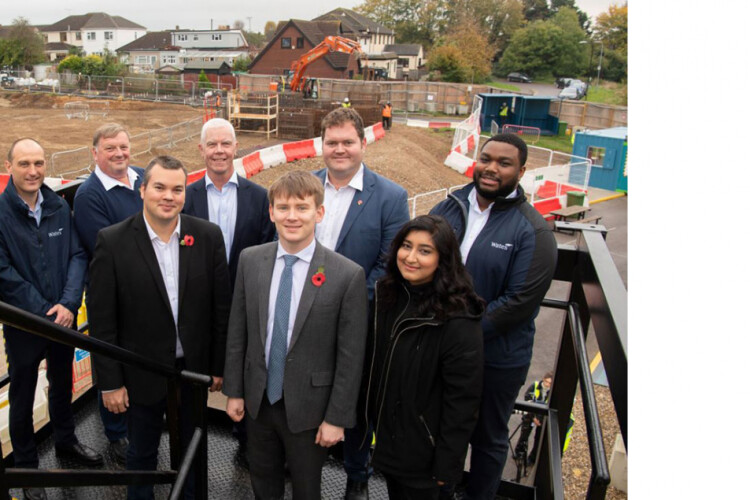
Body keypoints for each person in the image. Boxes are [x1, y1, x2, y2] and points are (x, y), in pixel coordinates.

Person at [87, 155, 231, 500]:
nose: (169, 196)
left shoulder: (208, 236)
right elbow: (103, 320)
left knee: (192, 452)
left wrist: (217, 367)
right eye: (160, 187)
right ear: (142, 190)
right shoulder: (113, 241)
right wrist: (110, 383)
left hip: (191, 373)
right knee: (141, 453)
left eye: (177, 189)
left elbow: (220, 309)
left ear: (185, 193)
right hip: (140, 372)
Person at [223, 170, 368, 500]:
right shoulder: (251, 260)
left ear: (319, 212)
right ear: (271, 212)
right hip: (260, 402)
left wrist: (337, 418)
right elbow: (238, 332)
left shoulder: (346, 275)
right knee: (263, 482)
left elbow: (351, 356)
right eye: (283, 207)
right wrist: (234, 390)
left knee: (306, 489)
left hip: (310, 409)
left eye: (302, 208)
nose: (292, 216)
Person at [430, 133, 557, 499]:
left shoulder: (533, 230)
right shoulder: (448, 208)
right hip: (441, 348)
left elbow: (519, 303)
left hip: (496, 359)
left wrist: (458, 336)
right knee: (441, 429)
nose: (491, 168)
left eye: (504, 163)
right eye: (486, 158)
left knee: (487, 438)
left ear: (521, 171)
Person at [312, 107, 410, 500]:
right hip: (303, 318)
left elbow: (389, 265)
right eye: (332, 142)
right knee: (306, 391)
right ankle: (302, 463)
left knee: (355, 398)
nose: (339, 150)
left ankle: (356, 474)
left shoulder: (390, 197)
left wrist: (342, 305)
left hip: (359, 319)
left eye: (347, 142)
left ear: (362, 144)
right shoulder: (306, 187)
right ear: (322, 145)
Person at [0, 138, 103, 500]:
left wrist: (69, 303)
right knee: (23, 393)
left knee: (64, 383)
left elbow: (77, 255)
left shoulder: (60, 206)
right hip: (25, 324)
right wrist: (46, 311)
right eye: (25, 163)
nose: (33, 171)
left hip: (63, 318)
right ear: (10, 166)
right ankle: (26, 469)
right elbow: (3, 272)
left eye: (39, 163)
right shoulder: (0, 213)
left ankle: (66, 442)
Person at [362, 215, 484, 499]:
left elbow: (463, 400)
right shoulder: (388, 294)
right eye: (406, 246)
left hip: (424, 454)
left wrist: (447, 464)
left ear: (443, 259)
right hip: (389, 440)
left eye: (425, 251)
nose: (411, 257)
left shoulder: (459, 315)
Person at [182, 117, 275, 462]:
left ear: (237, 148)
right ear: (201, 150)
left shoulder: (259, 197)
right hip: (197, 309)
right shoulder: (185, 197)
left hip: (246, 305)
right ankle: (192, 443)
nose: (219, 151)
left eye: (225, 144)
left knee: (246, 372)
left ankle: (246, 440)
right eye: (212, 144)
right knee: (195, 376)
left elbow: (268, 250)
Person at [73, 122, 141, 464]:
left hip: (147, 292)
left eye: (123, 147)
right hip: (112, 294)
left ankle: (138, 419)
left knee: (140, 358)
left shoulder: (143, 178)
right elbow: (106, 249)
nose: (119, 154)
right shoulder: (90, 196)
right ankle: (116, 435)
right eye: (110, 148)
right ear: (95, 153)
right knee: (111, 360)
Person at [514, 373, 552, 466]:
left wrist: (540, 420)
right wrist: (533, 417)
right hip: (530, 416)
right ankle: (518, 453)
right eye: (546, 382)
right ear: (543, 379)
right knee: (524, 435)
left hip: (541, 419)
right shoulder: (534, 386)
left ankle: (532, 458)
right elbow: (528, 400)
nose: (547, 385)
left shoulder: (551, 392)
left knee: (538, 439)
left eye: (549, 383)